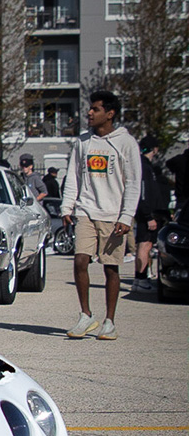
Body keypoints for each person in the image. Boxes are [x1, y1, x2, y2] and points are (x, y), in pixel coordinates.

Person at [63, 90, 141, 340]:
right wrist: (67, 206)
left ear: (110, 114)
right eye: (90, 108)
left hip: (113, 214)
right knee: (80, 261)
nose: (89, 113)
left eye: (96, 109)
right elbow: (73, 176)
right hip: (86, 210)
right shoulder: (83, 142)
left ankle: (110, 321)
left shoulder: (125, 143)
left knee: (111, 269)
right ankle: (86, 315)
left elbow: (133, 182)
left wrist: (126, 216)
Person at [134, 136, 171, 285]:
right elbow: (142, 193)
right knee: (144, 244)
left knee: (147, 244)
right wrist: (148, 215)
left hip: (149, 212)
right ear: (154, 149)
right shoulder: (144, 167)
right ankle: (141, 278)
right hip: (147, 213)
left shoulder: (146, 166)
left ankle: (141, 277)